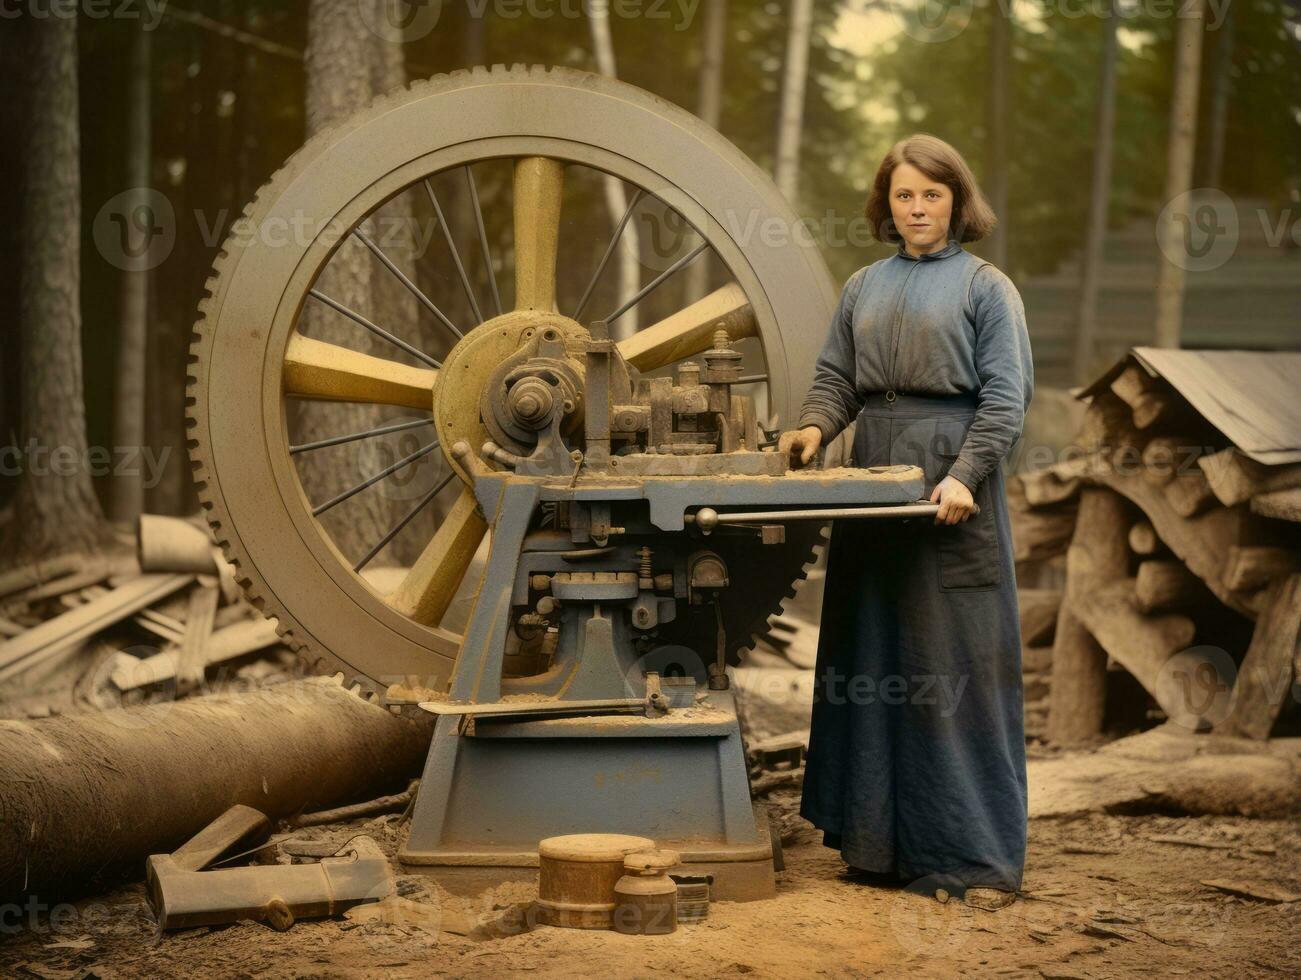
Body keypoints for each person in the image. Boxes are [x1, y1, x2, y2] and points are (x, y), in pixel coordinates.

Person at [777, 133, 1033, 912]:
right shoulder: (862, 286)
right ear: (884, 205)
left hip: (947, 492)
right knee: (871, 654)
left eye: (930, 194)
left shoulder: (987, 288)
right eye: (902, 195)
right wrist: (815, 429)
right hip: (873, 485)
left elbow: (1005, 398)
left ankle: (973, 856)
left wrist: (961, 477)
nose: (916, 208)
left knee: (948, 670)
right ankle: (875, 845)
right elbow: (835, 379)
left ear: (957, 201)